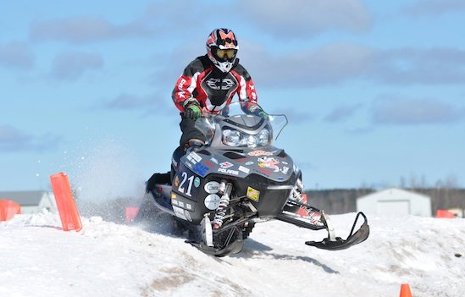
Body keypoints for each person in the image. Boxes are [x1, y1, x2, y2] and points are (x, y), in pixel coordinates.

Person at [172, 28, 267, 149]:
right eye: (223, 53)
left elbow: (248, 99)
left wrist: (257, 111)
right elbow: (180, 91)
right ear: (211, 50)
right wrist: (190, 104)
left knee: (244, 146)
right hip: (196, 118)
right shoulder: (197, 67)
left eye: (230, 53)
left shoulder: (240, 72)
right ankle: (189, 158)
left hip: (223, 121)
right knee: (195, 142)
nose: (227, 58)